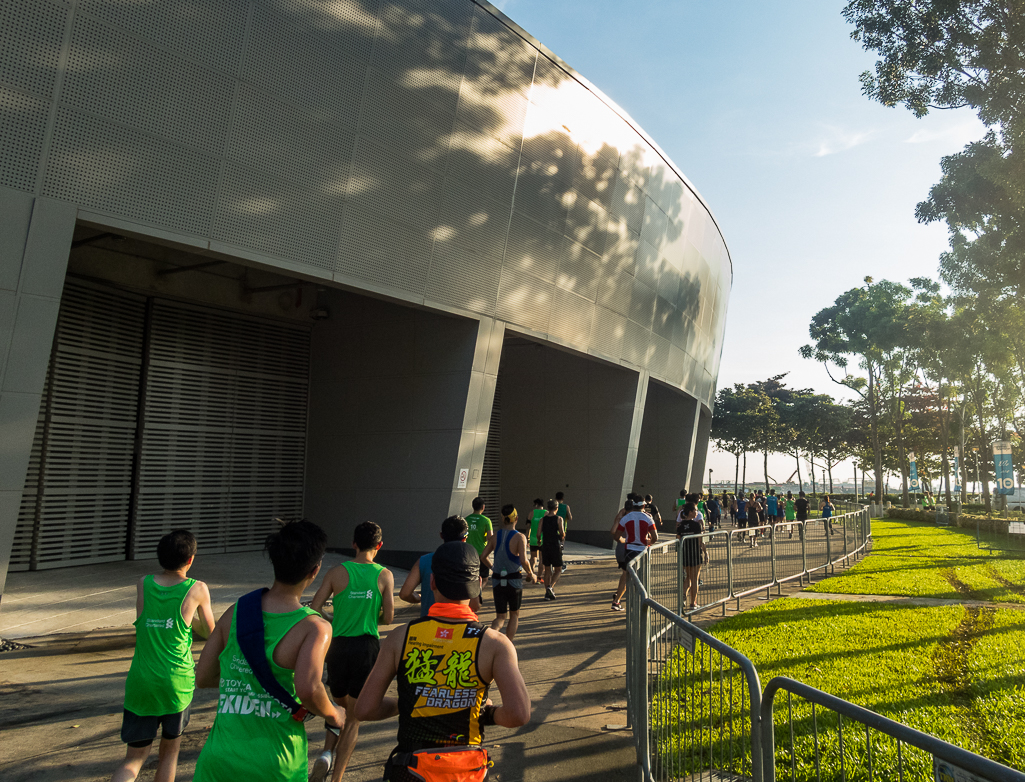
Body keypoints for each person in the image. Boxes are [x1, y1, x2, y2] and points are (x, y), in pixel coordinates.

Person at [354, 542, 531, 782]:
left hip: (411, 769)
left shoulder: (400, 637)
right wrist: (486, 713)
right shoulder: (494, 644)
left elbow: (365, 709)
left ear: (432, 582)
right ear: (478, 585)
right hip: (467, 771)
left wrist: (411, 701)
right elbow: (518, 714)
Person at [193, 520, 343, 782]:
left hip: (218, 761)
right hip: (275, 764)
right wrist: (333, 713)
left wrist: (243, 685)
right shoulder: (315, 628)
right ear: (315, 570)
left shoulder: (236, 612)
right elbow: (308, 689)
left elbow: (203, 676)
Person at [112, 530, 216, 782]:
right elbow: (210, 633)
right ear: (190, 559)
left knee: (133, 759)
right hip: (176, 684)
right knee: (169, 754)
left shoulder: (144, 584)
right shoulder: (197, 589)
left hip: (141, 683)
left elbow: (145, 620)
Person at [309, 522, 395, 782]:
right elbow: (389, 617)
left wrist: (333, 619)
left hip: (337, 646)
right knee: (355, 718)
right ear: (379, 546)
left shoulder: (336, 572)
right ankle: (336, 779)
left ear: (353, 543)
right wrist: (370, 614)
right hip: (366, 647)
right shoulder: (384, 575)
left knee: (339, 705)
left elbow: (314, 606)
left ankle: (326, 754)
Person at [481, 504, 536, 639]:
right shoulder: (519, 537)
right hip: (514, 580)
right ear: (516, 518)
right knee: (514, 614)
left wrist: (493, 568)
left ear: (502, 519)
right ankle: (508, 644)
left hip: (497, 579)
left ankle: (490, 639)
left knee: (500, 617)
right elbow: (523, 560)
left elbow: (483, 556)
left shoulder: (495, 536)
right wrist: (531, 573)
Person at [399, 516, 469, 618]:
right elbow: (475, 605)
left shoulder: (424, 561)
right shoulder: (470, 562)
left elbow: (404, 594)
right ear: (465, 538)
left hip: (429, 626)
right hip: (459, 626)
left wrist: (419, 598)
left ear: (441, 535)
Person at [610, 496, 657, 611]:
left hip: (629, 550)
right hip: (642, 549)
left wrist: (624, 540)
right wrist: (648, 541)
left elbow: (616, 536)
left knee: (626, 575)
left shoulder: (626, 518)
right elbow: (655, 537)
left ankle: (616, 601)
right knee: (643, 575)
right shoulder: (648, 518)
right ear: (644, 505)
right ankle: (643, 599)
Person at [675, 502, 707, 610]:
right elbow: (700, 541)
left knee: (688, 576)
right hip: (695, 554)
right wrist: (705, 552)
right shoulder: (696, 525)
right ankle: (693, 602)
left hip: (685, 554)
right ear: (690, 512)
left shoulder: (681, 525)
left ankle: (683, 595)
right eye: (695, 511)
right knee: (695, 579)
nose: (697, 512)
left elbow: (678, 539)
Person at [540, 500, 565, 600]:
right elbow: (562, 532)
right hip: (555, 546)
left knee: (547, 570)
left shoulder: (543, 519)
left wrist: (538, 540)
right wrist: (562, 537)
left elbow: (538, 533)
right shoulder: (559, 519)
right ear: (556, 508)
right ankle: (550, 587)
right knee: (558, 569)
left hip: (545, 545)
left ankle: (547, 592)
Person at [526, 498, 545, 574]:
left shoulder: (531, 513)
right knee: (541, 559)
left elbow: (528, 527)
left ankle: (531, 574)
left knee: (533, 558)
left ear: (536, 504)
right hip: (543, 539)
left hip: (533, 539)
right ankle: (539, 577)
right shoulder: (546, 513)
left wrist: (527, 537)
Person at [555, 492, 572, 572]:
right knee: (560, 546)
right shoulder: (566, 507)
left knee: (554, 545)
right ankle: (560, 563)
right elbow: (570, 517)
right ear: (562, 499)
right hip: (563, 529)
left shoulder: (554, 506)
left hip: (553, 529)